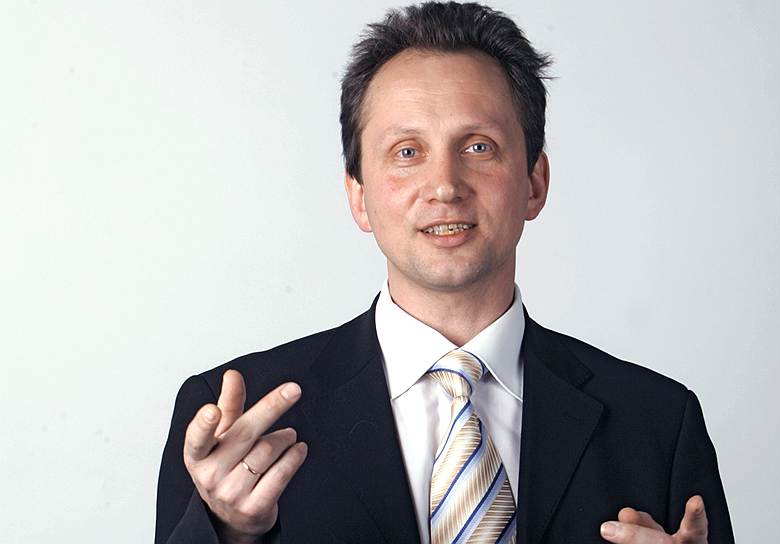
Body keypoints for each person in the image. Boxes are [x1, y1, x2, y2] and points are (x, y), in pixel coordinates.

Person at [155, 2, 734, 543]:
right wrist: (229, 532)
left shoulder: (659, 423)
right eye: (407, 152)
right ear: (358, 196)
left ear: (535, 182)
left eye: (479, 147)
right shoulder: (237, 425)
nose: (445, 186)